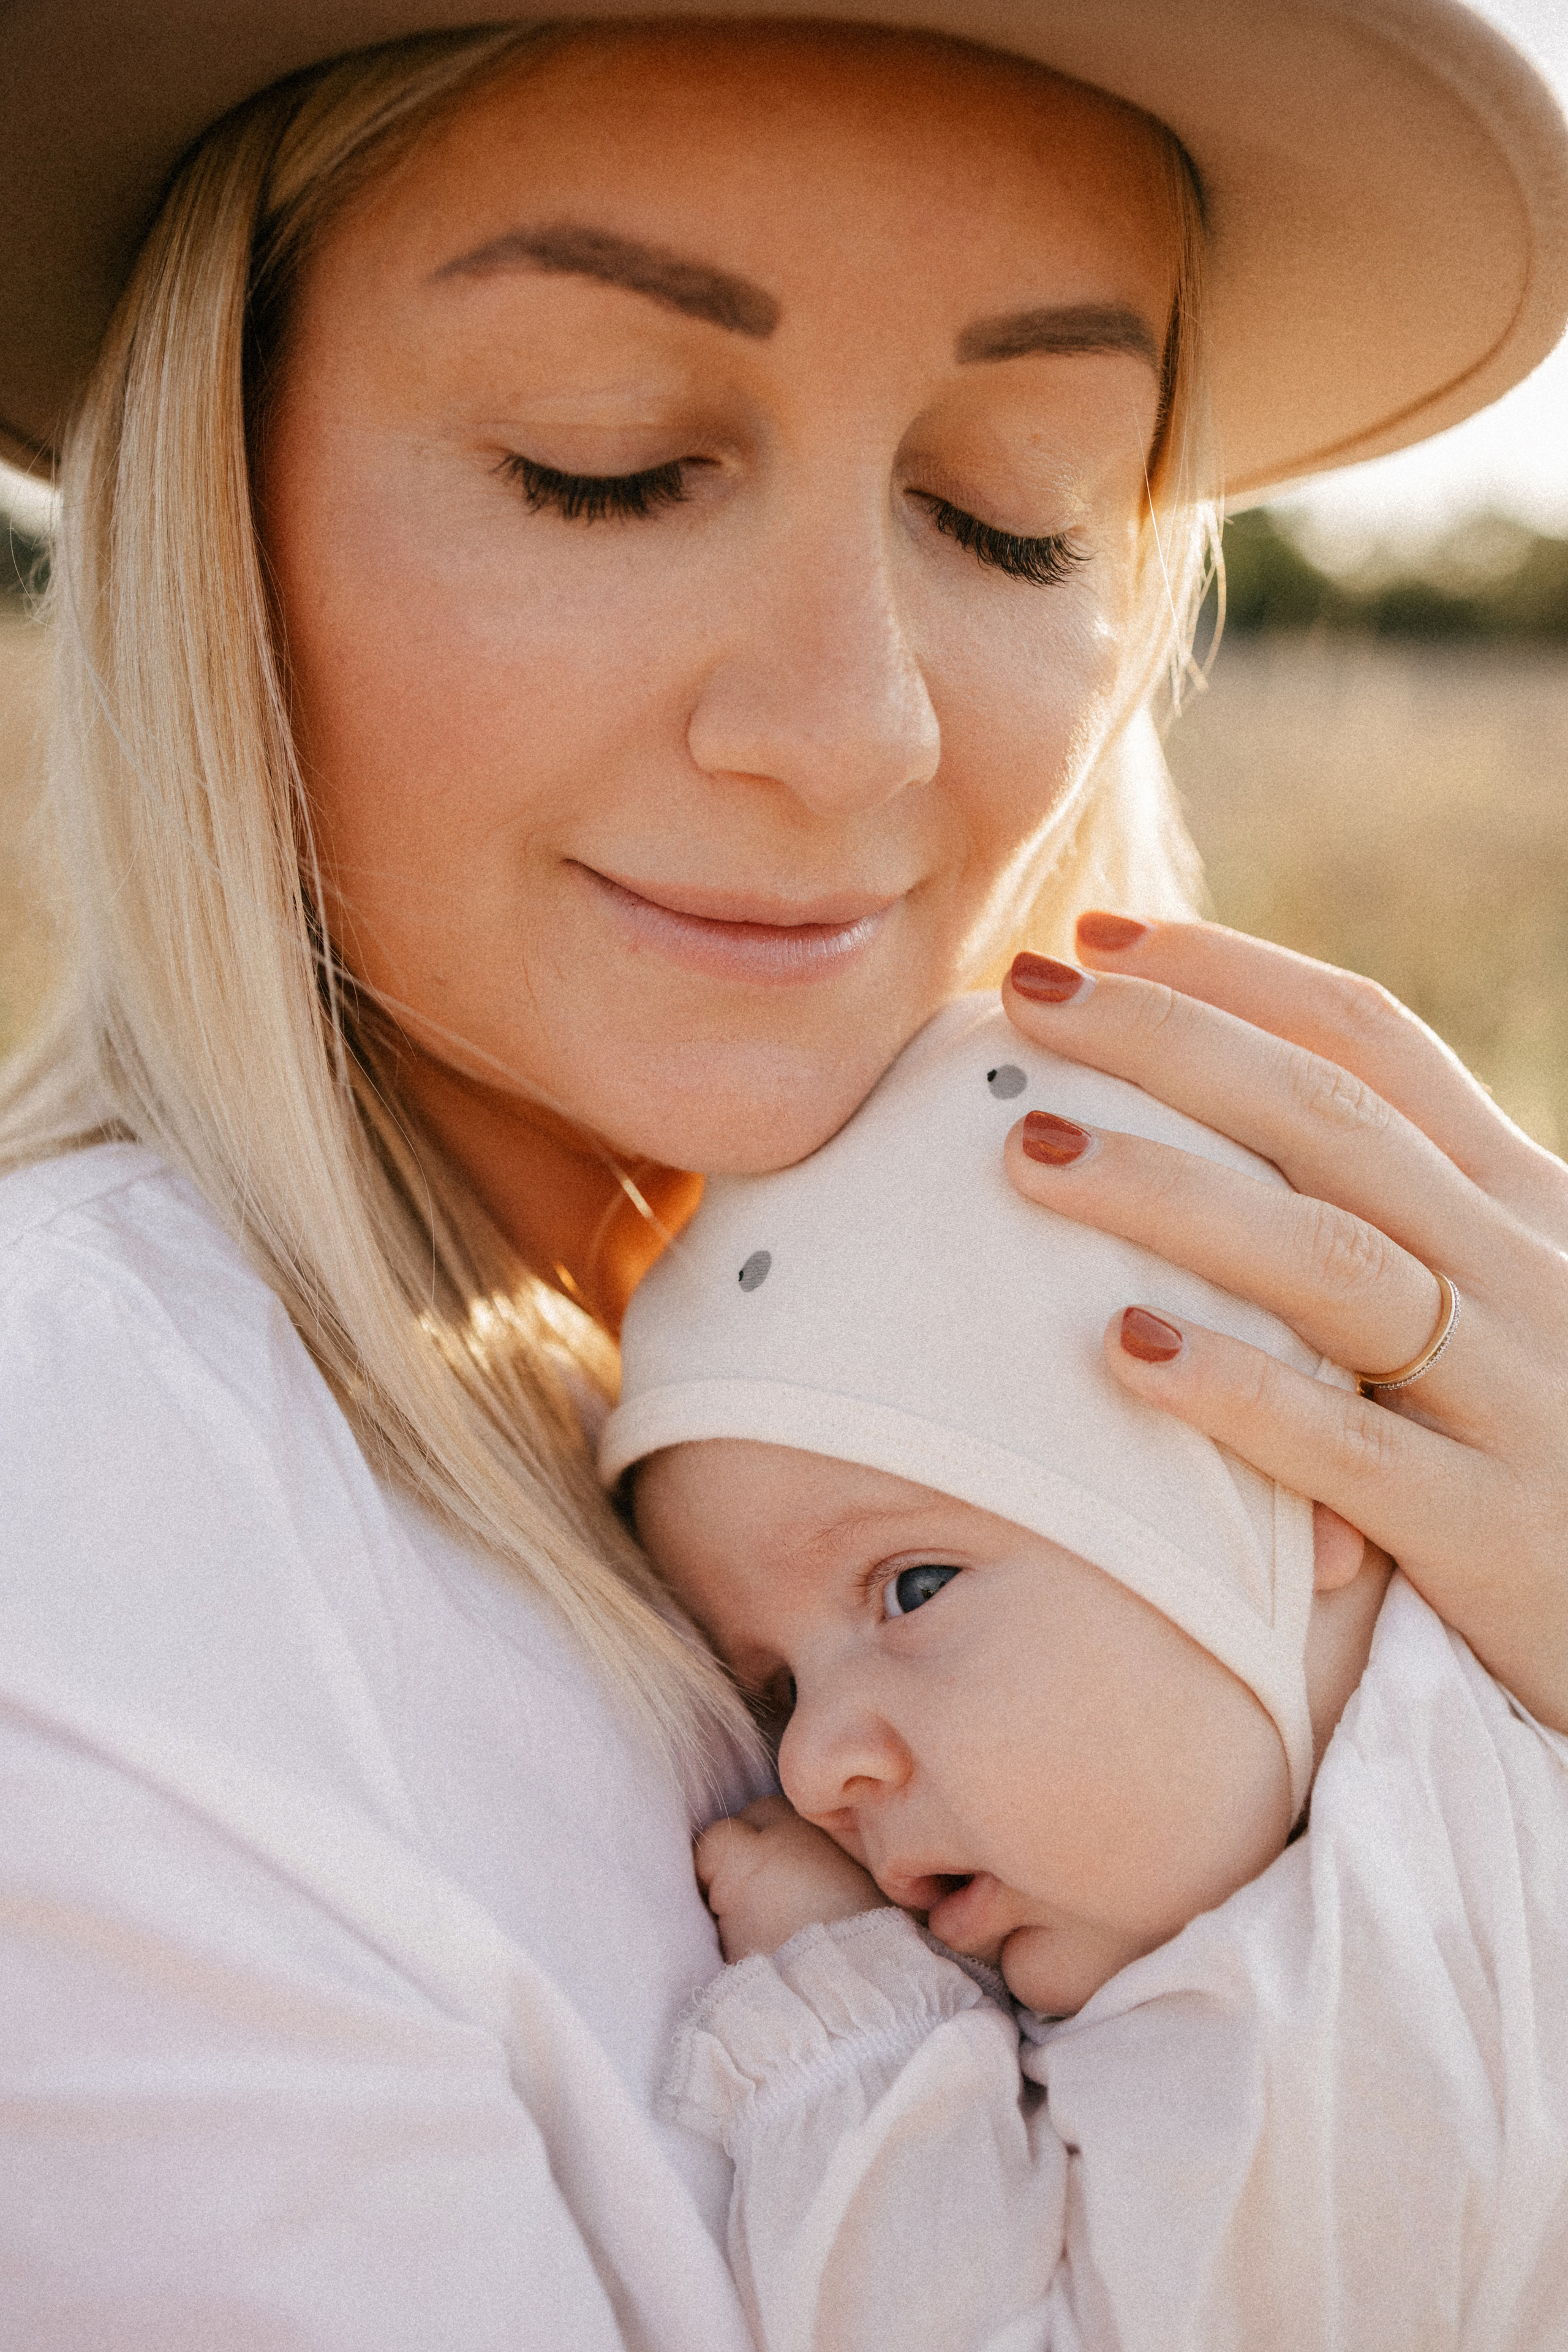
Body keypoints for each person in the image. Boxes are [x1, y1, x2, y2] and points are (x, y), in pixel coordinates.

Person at [1, 6, 1567, 2343]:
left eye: (1018, 507)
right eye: (606, 467)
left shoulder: (1179, 1425)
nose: (855, 726)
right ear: (215, 510)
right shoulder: (88, 1523)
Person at [603, 993, 1568, 2350]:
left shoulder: (1288, 2015)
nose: (812, 1769)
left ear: (1284, 1498)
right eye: (776, 1691)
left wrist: (860, 2037)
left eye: (914, 1588)